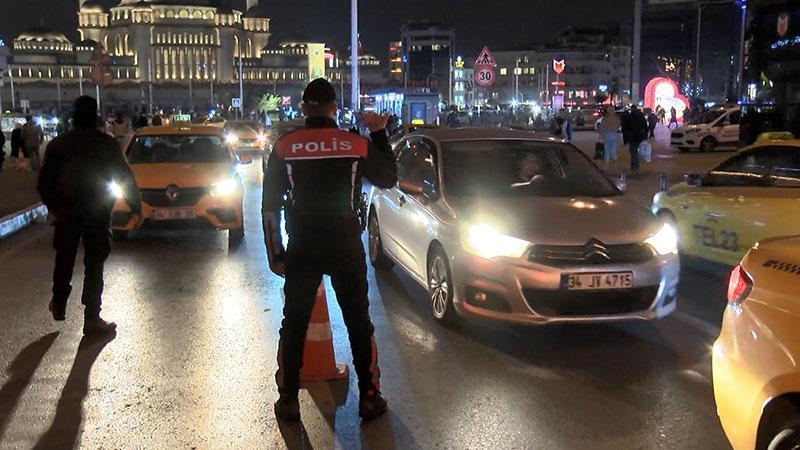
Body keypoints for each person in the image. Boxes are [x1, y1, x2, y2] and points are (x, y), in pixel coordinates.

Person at [262, 78, 397, 423]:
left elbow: (270, 205)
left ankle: (288, 400)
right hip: (345, 244)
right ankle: (370, 398)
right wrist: (379, 133)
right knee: (358, 322)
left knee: (294, 324)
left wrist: (275, 252)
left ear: (303, 108)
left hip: (303, 245)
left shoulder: (285, 146)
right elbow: (387, 177)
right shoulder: (355, 144)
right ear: (334, 108)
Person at [37, 96, 141, 336]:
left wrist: (53, 206)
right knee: (94, 265)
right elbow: (124, 177)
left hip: (67, 212)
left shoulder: (59, 145)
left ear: (74, 117)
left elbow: (44, 183)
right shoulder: (106, 144)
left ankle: (59, 303)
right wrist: (136, 207)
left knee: (64, 258)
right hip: (97, 212)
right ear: (95, 117)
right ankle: (92, 317)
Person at [622, 105, 649, 172]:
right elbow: (645, 126)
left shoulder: (630, 116)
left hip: (632, 136)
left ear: (631, 109)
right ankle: (635, 164)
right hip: (640, 136)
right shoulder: (641, 116)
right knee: (635, 150)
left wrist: (626, 137)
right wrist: (645, 135)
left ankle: (634, 165)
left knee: (633, 151)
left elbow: (626, 127)